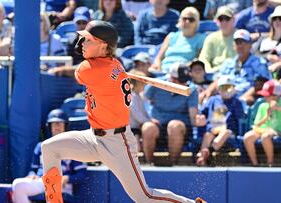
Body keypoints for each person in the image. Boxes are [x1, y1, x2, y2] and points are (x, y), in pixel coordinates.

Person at [40, 20, 206, 203]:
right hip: (93, 137)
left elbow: (80, 72)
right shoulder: (115, 64)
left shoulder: (93, 68)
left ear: (103, 46)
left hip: (117, 142)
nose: (82, 44)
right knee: (49, 148)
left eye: (88, 40)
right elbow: (103, 69)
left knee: (144, 197)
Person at [12, 109, 87, 203]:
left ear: (66, 125)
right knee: (18, 185)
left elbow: (82, 175)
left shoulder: (73, 146)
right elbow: (33, 170)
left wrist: (67, 178)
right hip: (42, 182)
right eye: (54, 123)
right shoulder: (41, 146)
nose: (57, 126)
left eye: (60, 123)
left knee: (52, 190)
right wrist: (31, 175)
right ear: (49, 126)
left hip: (61, 184)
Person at [144, 63, 201, 165]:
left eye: (185, 80)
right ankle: (148, 164)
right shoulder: (155, 84)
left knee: (174, 125)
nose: (184, 83)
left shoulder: (191, 89)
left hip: (181, 127)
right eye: (181, 80)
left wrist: (198, 121)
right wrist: (147, 118)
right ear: (172, 79)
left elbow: (193, 117)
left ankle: (172, 164)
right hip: (158, 123)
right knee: (148, 127)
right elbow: (141, 102)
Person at [205, 29, 272, 99]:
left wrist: (243, 98)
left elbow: (261, 84)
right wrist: (208, 92)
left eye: (243, 42)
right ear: (234, 46)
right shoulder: (228, 63)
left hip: (247, 98)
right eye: (237, 43)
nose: (240, 46)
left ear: (250, 45)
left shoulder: (259, 63)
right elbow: (218, 81)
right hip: (225, 96)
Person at [195, 75, 244, 166]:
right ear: (218, 89)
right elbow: (202, 113)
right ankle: (202, 157)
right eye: (223, 87)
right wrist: (200, 118)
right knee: (208, 134)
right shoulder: (213, 100)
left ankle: (208, 152)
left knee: (225, 132)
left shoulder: (237, 102)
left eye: (229, 87)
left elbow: (240, 118)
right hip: (213, 129)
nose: (226, 90)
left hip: (229, 132)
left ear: (234, 88)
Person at [150, 7, 206, 73]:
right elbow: (158, 58)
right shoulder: (171, 36)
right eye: (184, 19)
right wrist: (158, 70)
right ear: (180, 20)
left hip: (183, 73)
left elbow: (198, 61)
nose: (187, 22)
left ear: (196, 22)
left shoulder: (201, 38)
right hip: (164, 71)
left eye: (191, 19)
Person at [243, 80, 281, 166]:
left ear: (276, 96)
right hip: (263, 130)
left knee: (265, 136)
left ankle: (270, 163)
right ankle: (255, 164)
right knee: (247, 137)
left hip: (277, 131)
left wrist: (277, 108)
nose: (265, 98)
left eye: (268, 96)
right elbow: (257, 124)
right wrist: (267, 115)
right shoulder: (262, 105)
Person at [198, 6, 237, 73]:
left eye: (227, 18)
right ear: (216, 21)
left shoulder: (239, 36)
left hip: (234, 73)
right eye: (220, 19)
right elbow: (204, 59)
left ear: (233, 19)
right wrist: (209, 71)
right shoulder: (210, 38)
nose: (224, 22)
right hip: (214, 74)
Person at [128, 69, 153, 152]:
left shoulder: (139, 96)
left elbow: (144, 112)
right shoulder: (132, 96)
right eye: (143, 82)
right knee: (135, 149)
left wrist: (150, 120)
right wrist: (147, 121)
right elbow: (136, 114)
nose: (145, 85)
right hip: (131, 128)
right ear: (138, 83)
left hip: (137, 127)